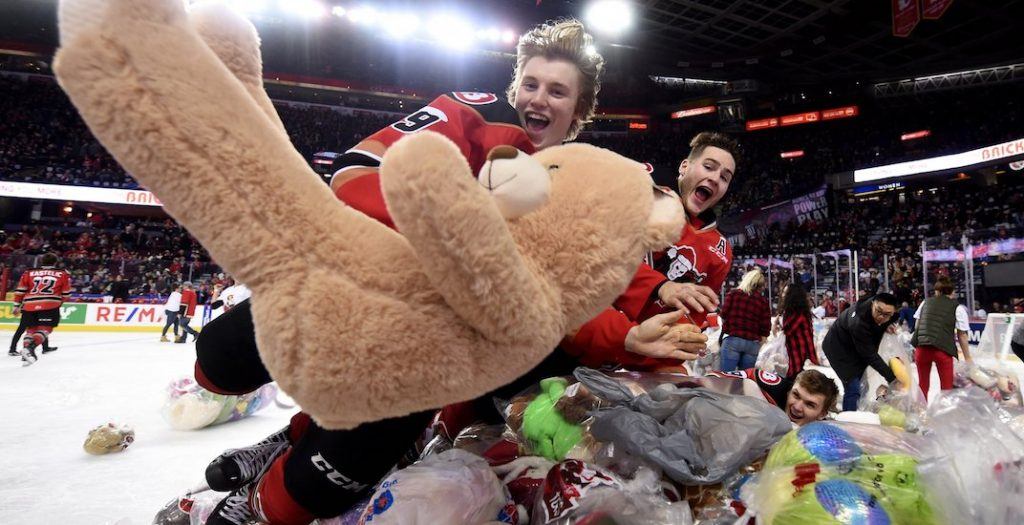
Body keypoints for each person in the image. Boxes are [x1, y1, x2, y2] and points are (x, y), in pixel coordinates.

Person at [197, 20, 705, 525]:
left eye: (557, 91)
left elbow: (561, 301)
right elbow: (354, 171)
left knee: (341, 466)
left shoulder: (577, 188)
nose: (540, 99)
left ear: (577, 113)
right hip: (364, 288)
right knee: (221, 357)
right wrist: (452, 237)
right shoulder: (468, 111)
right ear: (514, 88)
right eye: (531, 84)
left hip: (431, 349)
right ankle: (285, 440)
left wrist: (637, 320)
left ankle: (264, 500)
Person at [561, 131, 739, 370]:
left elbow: (691, 318)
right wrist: (660, 286)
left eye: (725, 177)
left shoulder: (721, 251)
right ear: (684, 167)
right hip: (585, 341)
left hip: (643, 360)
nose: (716, 178)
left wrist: (680, 345)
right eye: (709, 167)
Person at [822, 292, 900, 411]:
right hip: (837, 350)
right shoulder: (859, 322)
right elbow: (869, 354)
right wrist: (892, 378)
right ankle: (849, 421)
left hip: (853, 348)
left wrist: (885, 325)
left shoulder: (886, 316)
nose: (881, 317)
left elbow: (885, 320)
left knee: (862, 384)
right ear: (872, 303)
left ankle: (857, 411)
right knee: (853, 387)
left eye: (887, 315)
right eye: (878, 311)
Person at [707, 368, 838, 427]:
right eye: (796, 395)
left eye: (809, 404)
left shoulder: (825, 433)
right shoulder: (771, 386)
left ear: (822, 414)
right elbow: (711, 378)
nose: (797, 407)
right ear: (789, 391)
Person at [911, 277, 972, 397]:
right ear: (952, 292)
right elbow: (962, 335)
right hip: (943, 350)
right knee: (946, 388)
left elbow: (917, 325)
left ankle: (921, 412)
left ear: (937, 291)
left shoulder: (925, 303)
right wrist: (968, 358)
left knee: (923, 385)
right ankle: (944, 414)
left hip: (922, 349)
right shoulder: (958, 308)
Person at [10, 253, 72, 366]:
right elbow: (66, 294)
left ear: (41, 261)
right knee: (45, 329)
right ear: (55, 262)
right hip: (50, 304)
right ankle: (29, 349)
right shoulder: (62, 273)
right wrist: (59, 302)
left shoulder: (29, 272)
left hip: (29, 305)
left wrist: (16, 305)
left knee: (31, 329)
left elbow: (20, 290)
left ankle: (26, 354)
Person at [719, 269, 770, 371]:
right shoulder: (763, 302)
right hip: (753, 344)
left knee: (727, 378)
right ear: (761, 285)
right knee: (745, 380)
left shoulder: (733, 294)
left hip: (733, 340)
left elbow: (723, 315)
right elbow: (765, 328)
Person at [776, 282, 819, 377]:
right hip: (796, 351)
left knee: (792, 377)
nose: (782, 294)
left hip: (796, 351)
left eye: (785, 292)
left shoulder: (797, 313)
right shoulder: (799, 311)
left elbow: (788, 331)